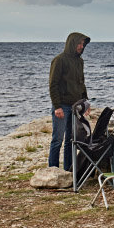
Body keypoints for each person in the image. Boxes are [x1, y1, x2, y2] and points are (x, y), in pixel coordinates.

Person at [48, 32, 90, 171]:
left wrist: (85, 103)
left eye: (83, 44)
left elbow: (81, 83)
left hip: (75, 106)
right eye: (79, 43)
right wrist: (57, 107)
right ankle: (53, 171)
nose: (81, 46)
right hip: (62, 106)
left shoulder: (80, 61)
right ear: (72, 43)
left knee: (70, 141)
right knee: (57, 140)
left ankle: (68, 171)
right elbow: (53, 84)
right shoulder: (59, 60)